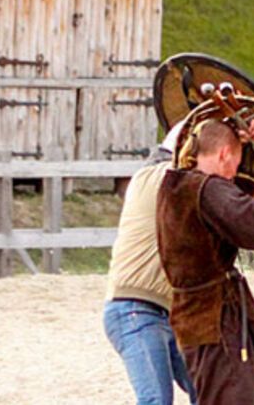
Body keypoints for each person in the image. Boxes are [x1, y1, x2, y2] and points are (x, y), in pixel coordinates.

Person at [157, 118, 254, 405]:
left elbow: (235, 198)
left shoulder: (181, 184)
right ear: (223, 155)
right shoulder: (206, 189)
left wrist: (246, 143)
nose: (234, 174)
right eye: (236, 162)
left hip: (223, 316)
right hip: (212, 322)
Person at [104, 129, 194, 405]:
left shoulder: (162, 183)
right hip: (135, 309)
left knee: (208, 390)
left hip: (162, 312)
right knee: (155, 400)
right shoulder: (160, 178)